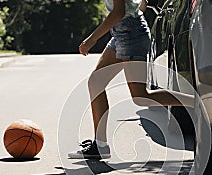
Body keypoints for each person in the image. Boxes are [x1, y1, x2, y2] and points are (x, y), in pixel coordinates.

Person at [68, 0, 194, 159]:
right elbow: (142, 3)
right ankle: (100, 145)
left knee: (141, 97)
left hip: (131, 34)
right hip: (123, 33)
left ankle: (198, 102)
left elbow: (118, 12)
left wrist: (92, 39)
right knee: (96, 81)